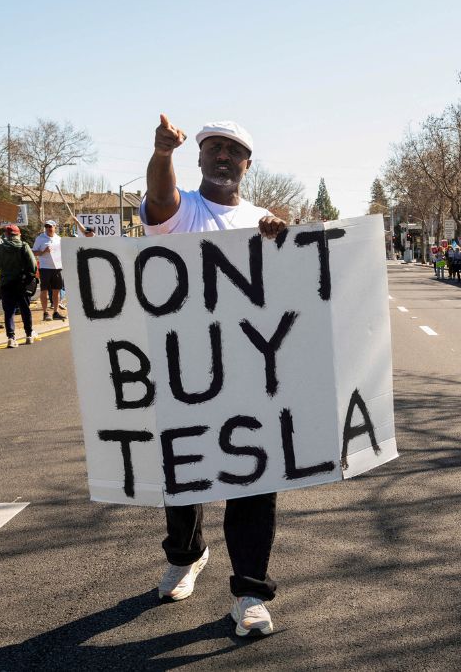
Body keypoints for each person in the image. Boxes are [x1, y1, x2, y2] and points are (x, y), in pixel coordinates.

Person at [141, 115, 290, 637]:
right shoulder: (182, 210)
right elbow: (158, 202)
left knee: (255, 484)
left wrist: (281, 237)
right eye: (213, 148)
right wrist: (163, 154)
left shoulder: (262, 217)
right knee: (183, 479)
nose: (223, 156)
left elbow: (289, 292)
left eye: (233, 150)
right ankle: (185, 555)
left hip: (251, 376)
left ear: (248, 164)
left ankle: (250, 591)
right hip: (185, 374)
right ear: (199, 159)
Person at [0, 224, 38, 347]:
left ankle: (11, 338)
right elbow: (33, 265)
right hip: (22, 283)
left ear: (6, 235)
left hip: (6, 283)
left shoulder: (0, 248)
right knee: (25, 309)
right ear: (18, 234)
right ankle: (29, 335)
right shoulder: (24, 246)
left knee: (9, 311)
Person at [32, 221, 64, 321]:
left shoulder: (59, 239)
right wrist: (43, 251)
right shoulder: (40, 238)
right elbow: (33, 252)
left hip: (57, 268)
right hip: (45, 268)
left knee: (56, 291)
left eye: (51, 226)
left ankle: (56, 312)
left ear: (55, 227)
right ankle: (45, 313)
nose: (49, 228)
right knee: (44, 291)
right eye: (47, 227)